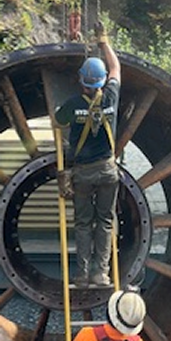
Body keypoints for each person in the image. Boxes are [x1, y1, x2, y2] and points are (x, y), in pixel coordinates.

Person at [55, 22, 121, 287]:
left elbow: (59, 120)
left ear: (81, 83)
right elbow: (116, 68)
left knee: (83, 224)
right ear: (103, 82)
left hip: (82, 173)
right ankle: (101, 274)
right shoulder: (112, 98)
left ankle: (82, 275)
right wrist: (103, 41)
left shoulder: (73, 104)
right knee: (105, 221)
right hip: (107, 171)